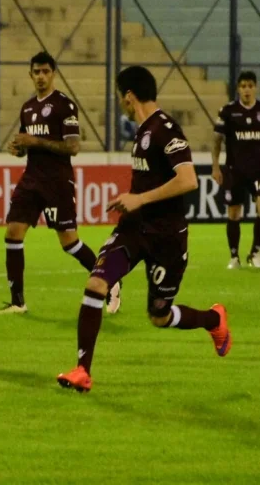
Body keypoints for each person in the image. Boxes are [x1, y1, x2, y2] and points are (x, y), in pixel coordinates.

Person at [57, 66, 231, 393]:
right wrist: (135, 205)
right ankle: (83, 370)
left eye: (119, 96)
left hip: (167, 236)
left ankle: (214, 320)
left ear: (129, 96)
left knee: (159, 316)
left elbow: (189, 179)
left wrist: (140, 198)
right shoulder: (141, 131)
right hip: (134, 231)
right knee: (96, 283)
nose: (119, 102)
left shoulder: (166, 129)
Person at [0, 51, 120, 315]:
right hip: (31, 180)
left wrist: (34, 142)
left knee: (69, 243)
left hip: (57, 182)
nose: (41, 77)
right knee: (13, 233)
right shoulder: (28, 108)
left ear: (53, 73)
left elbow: (73, 148)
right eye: (36, 72)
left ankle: (111, 280)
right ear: (30, 75)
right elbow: (27, 145)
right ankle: (18, 302)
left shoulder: (65, 105)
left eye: (46, 72)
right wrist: (19, 149)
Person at [211, 70, 260, 269]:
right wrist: (215, 166)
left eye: (250, 85)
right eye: (243, 86)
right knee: (234, 213)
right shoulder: (228, 111)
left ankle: (255, 253)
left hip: (258, 171)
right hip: (235, 170)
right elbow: (217, 140)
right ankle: (234, 257)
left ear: (255, 87)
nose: (247, 90)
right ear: (238, 89)